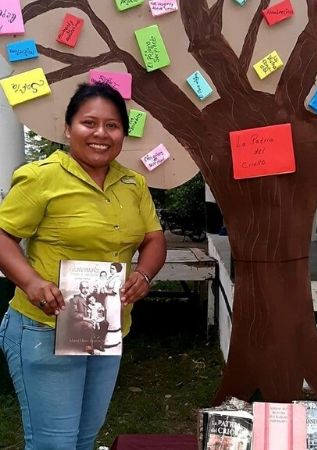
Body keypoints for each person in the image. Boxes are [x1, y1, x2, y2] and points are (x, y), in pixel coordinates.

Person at [0, 82, 167, 449]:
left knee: (83, 440)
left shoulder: (132, 183)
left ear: (123, 133)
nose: (100, 134)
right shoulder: (42, 177)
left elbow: (153, 238)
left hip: (104, 329)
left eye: (112, 125)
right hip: (45, 327)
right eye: (88, 123)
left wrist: (143, 274)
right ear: (68, 128)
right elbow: (3, 235)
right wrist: (31, 282)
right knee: (54, 444)